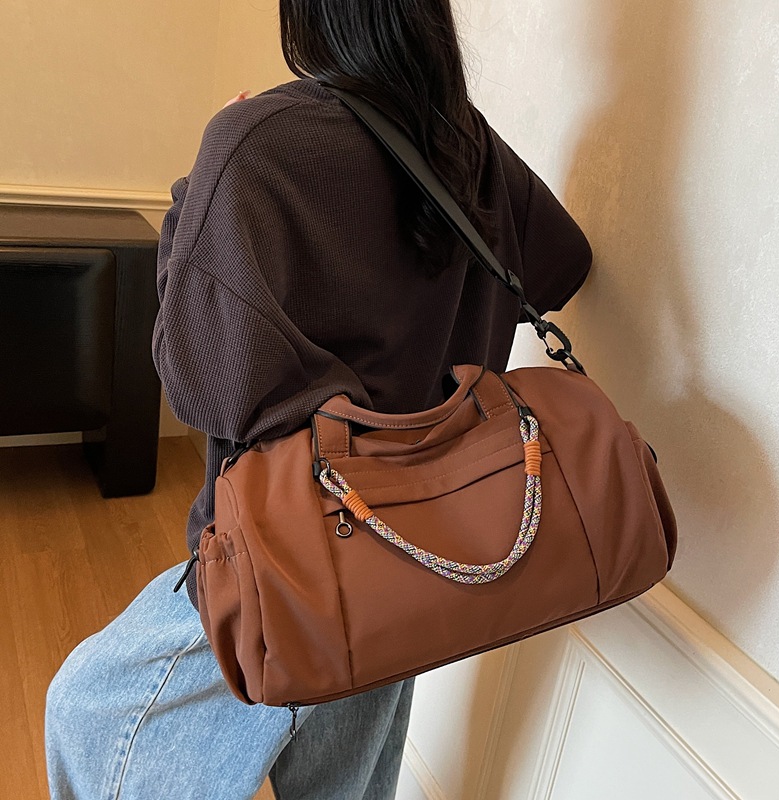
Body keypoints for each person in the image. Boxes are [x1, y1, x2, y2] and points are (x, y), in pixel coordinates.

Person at [44, 1, 592, 797]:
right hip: (416, 557)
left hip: (284, 557)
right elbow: (564, 264)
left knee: (88, 712)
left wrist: (198, 195)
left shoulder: (258, 140)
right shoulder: (465, 144)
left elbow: (199, 378)